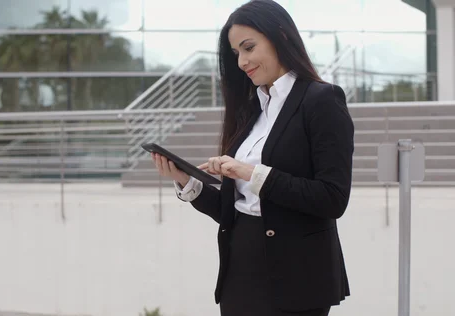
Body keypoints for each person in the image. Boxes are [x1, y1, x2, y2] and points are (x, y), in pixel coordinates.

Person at [151, 0, 354, 315]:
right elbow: (232, 210)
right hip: (240, 272)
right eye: (236, 54)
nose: (242, 62)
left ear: (281, 37)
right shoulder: (251, 110)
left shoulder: (322, 101)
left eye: (248, 48)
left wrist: (251, 173)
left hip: (297, 277)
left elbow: (332, 198)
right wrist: (185, 179)